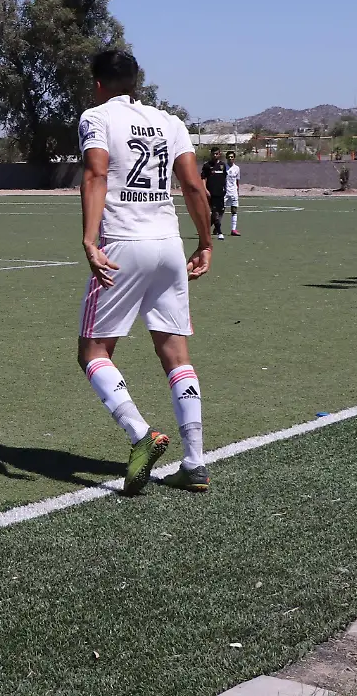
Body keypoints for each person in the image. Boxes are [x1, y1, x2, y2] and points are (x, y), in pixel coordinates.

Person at [76, 49, 214, 495]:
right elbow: (193, 185)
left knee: (93, 353)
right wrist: (206, 241)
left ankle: (140, 435)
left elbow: (96, 175)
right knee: (176, 354)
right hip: (168, 244)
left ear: (98, 83)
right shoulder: (170, 122)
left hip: (123, 245)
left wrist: (90, 239)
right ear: (137, 81)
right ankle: (194, 463)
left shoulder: (96, 118)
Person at [201, 147, 229, 237]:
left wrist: (225, 188)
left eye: (216, 154)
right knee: (215, 212)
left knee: (220, 211)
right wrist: (205, 190)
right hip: (211, 193)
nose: (215, 155)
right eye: (213, 154)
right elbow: (203, 179)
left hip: (220, 192)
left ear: (219, 154)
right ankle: (219, 232)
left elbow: (224, 178)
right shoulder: (207, 165)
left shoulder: (222, 165)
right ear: (211, 154)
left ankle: (206, 228)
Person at [223, 150, 242, 237]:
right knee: (220, 210)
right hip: (225, 192)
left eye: (232, 157)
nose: (230, 158)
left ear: (234, 158)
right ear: (226, 158)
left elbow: (237, 181)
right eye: (229, 157)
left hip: (233, 192)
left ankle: (233, 229)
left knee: (234, 210)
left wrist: (237, 191)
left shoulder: (237, 168)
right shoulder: (223, 167)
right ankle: (217, 227)